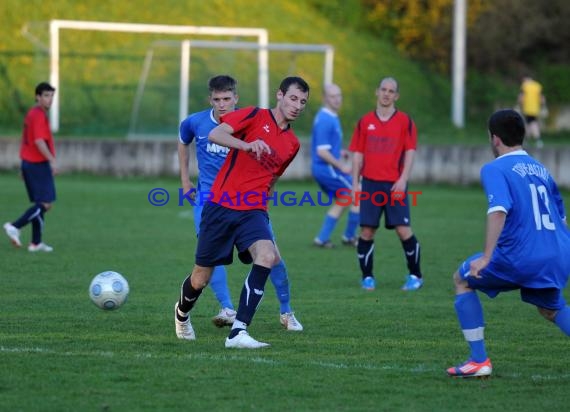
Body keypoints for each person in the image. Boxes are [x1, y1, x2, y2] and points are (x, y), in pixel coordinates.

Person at [174, 76, 310, 348]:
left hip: (253, 209)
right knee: (201, 277)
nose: (297, 105)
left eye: (303, 102)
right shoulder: (253, 115)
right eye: (293, 98)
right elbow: (216, 134)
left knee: (268, 256)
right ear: (279, 95)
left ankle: (238, 332)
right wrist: (247, 145)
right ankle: (181, 314)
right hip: (221, 206)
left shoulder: (293, 144)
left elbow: (273, 178)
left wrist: (265, 207)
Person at [447, 109, 570, 378]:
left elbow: (499, 209)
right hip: (557, 253)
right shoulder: (541, 169)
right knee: (552, 308)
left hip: (520, 256)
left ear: (494, 139)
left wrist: (487, 257)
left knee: (462, 278)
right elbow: (562, 218)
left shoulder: (494, 168)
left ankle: (479, 360)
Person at [349, 77, 423, 292]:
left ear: (396, 96)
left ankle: (415, 276)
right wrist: (355, 183)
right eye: (384, 89)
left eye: (391, 91)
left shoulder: (405, 121)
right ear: (377, 91)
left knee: (403, 230)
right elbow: (357, 154)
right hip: (370, 184)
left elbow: (410, 151)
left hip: (395, 185)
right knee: (367, 232)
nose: (387, 94)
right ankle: (367, 278)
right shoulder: (364, 122)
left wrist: (403, 179)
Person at [4, 82, 57, 252]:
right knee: (46, 203)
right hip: (37, 164)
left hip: (29, 163)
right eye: (46, 96)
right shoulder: (38, 115)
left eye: (51, 96)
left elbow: (26, 140)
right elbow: (38, 141)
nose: (50, 100)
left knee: (40, 203)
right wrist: (51, 160)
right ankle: (15, 226)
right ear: (37, 97)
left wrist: (23, 165)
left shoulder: (33, 114)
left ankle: (36, 243)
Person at [311, 83, 360, 248]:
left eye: (339, 95)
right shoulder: (325, 119)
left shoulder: (330, 116)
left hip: (323, 168)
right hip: (327, 169)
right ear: (325, 98)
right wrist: (341, 166)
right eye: (333, 96)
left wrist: (340, 152)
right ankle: (349, 236)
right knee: (358, 193)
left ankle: (322, 238)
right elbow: (322, 152)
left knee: (345, 198)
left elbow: (328, 147)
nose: (337, 99)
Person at [518, 75, 546, 148]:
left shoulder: (525, 86)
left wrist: (519, 105)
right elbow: (542, 98)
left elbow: (521, 98)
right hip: (536, 109)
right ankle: (527, 140)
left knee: (532, 123)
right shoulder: (537, 86)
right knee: (529, 123)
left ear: (526, 78)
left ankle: (538, 140)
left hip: (527, 109)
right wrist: (543, 107)